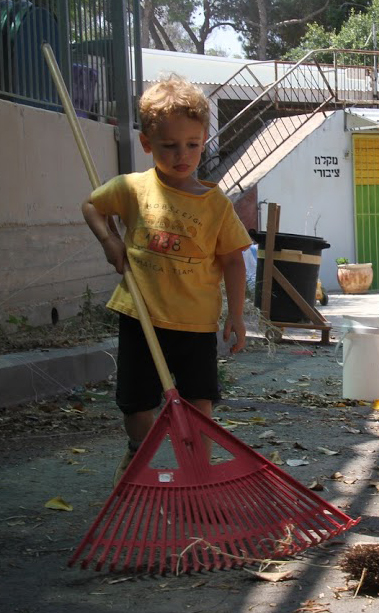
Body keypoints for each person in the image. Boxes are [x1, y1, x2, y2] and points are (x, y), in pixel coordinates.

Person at [81, 75, 252, 484]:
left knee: (199, 404)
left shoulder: (216, 205)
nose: (182, 155)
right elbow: (91, 206)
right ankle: (138, 455)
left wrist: (237, 314)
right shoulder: (133, 188)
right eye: (169, 145)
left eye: (192, 144)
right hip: (141, 317)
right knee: (137, 404)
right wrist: (109, 240)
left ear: (204, 140)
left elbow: (233, 261)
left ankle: (197, 477)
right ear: (147, 143)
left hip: (196, 325)